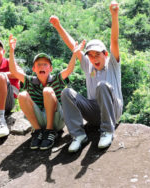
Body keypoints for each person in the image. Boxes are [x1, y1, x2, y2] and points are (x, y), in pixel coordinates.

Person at [50, 1, 123, 152]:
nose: (94, 58)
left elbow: (114, 40)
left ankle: (108, 131)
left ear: (105, 54)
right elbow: (73, 46)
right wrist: (58, 26)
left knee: (102, 85)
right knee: (66, 92)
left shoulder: (113, 64)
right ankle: (78, 136)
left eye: (98, 54)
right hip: (95, 113)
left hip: (112, 111)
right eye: (91, 55)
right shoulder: (88, 65)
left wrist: (114, 16)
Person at [9, 34, 85, 150]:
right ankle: (38, 132)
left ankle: (50, 132)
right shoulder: (30, 81)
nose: (42, 67)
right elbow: (13, 71)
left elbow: (69, 70)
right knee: (22, 95)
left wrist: (75, 53)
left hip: (56, 120)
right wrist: (11, 50)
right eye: (38, 64)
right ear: (34, 69)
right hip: (39, 120)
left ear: (50, 69)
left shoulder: (56, 79)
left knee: (48, 91)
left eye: (45, 64)